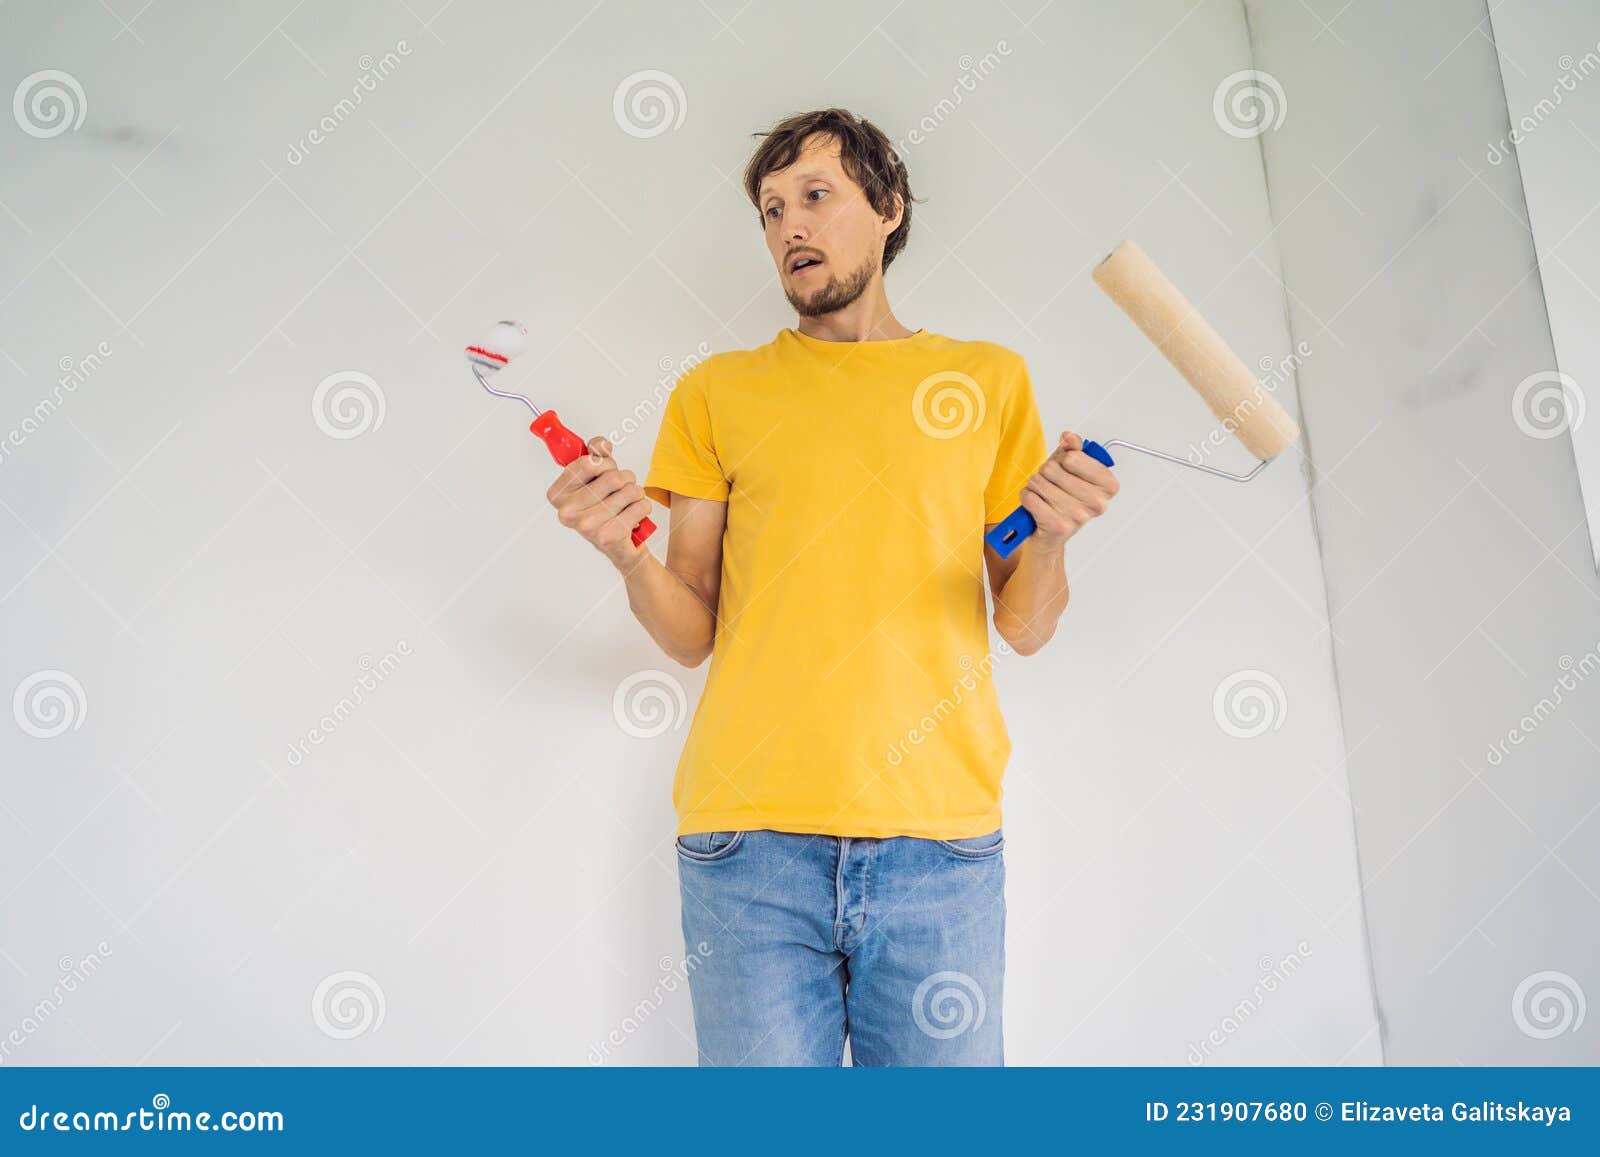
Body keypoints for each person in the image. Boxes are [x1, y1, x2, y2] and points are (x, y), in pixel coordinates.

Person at [545, 108, 1119, 1065]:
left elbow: (1025, 624)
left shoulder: (986, 381)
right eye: (771, 211)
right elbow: (692, 630)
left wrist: (1051, 535)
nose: (789, 229)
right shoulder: (717, 392)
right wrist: (625, 554)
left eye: (815, 196)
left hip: (941, 847)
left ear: (888, 208)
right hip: (749, 850)